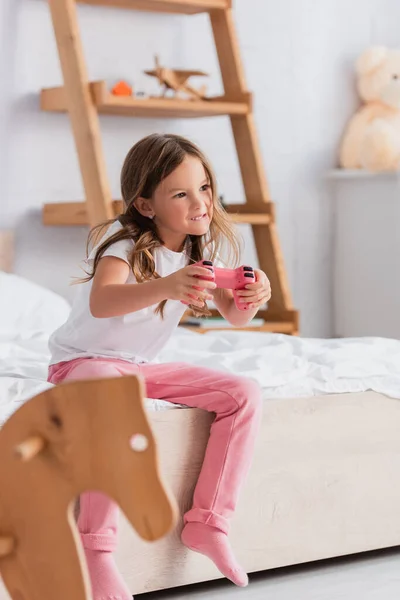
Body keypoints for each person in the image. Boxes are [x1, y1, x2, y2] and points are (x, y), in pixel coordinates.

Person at [48, 133, 271, 600]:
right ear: (146, 205)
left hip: (137, 367)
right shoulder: (124, 244)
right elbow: (105, 300)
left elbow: (234, 313)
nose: (200, 203)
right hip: (82, 365)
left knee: (243, 393)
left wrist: (254, 295)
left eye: (205, 188)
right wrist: (166, 286)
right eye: (181, 193)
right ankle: (97, 551)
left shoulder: (197, 252)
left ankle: (209, 523)